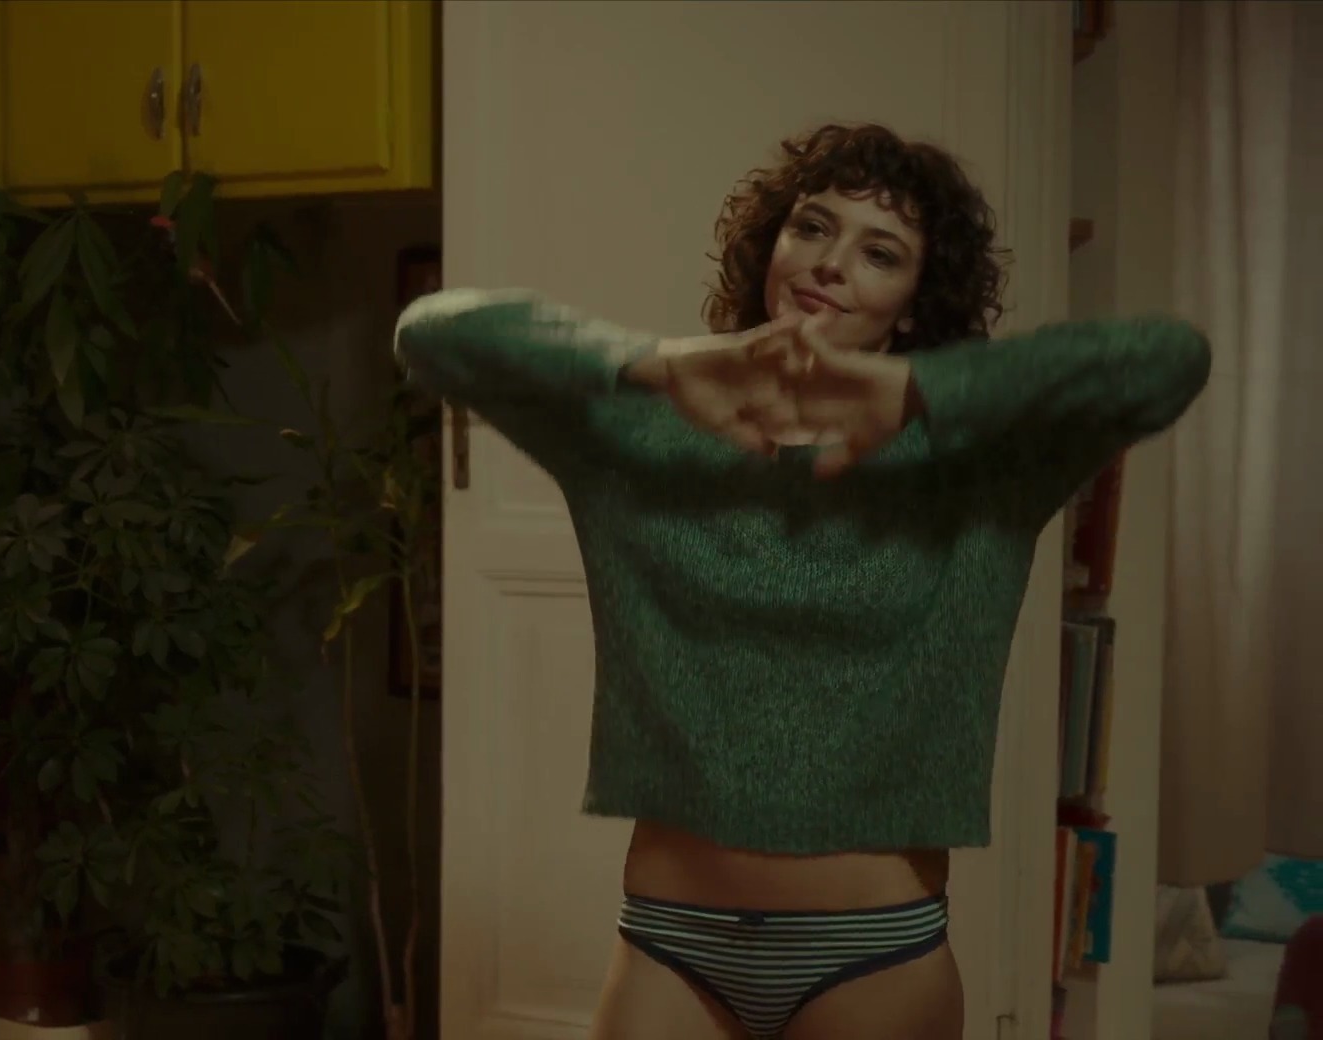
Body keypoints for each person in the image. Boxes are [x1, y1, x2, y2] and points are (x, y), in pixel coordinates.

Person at [393, 123, 1212, 1040]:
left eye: (880, 253)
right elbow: (433, 335)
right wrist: (663, 362)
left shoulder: (978, 462)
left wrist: (918, 391)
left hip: (873, 958)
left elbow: (1167, 359)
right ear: (772, 246)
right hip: (668, 943)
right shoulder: (638, 433)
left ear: (913, 302)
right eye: (812, 227)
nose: (830, 263)